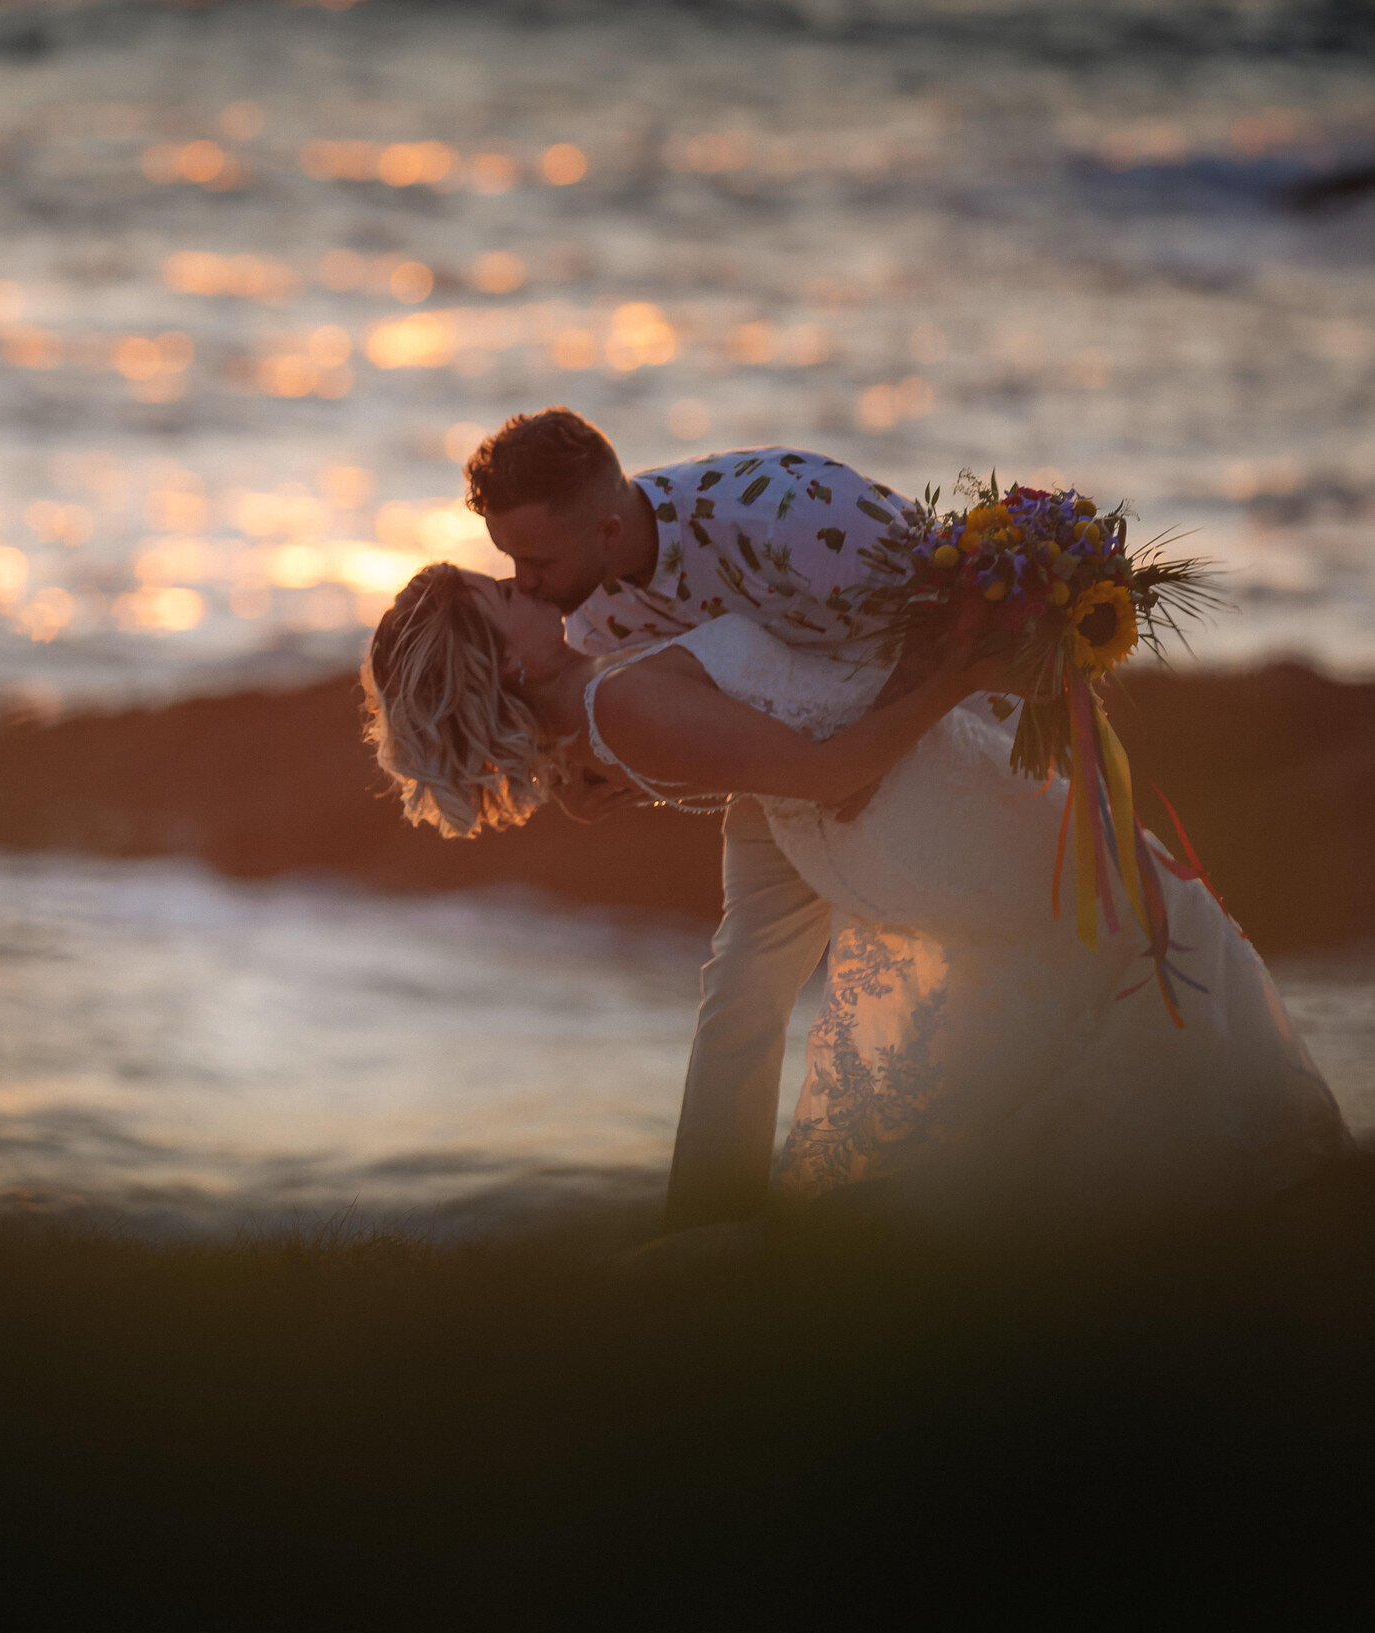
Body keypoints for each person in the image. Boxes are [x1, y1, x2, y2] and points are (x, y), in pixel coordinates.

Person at [361, 439, 1350, 1227]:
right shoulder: (610, 684)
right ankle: (1170, 1181)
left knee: (1084, 931)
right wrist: (962, 677)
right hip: (866, 801)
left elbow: (747, 730)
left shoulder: (752, 530)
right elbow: (822, 770)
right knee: (1111, 921)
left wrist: (986, 647)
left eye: (518, 572)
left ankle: (712, 1220)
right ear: (502, 661)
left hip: (859, 796)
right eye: (502, 593)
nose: (523, 586)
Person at [444, 409, 959, 1227]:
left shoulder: (791, 512)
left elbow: (956, 604)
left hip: (919, 726)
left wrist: (855, 772)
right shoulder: (595, 615)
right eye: (511, 561)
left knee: (951, 956)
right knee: (743, 982)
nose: (526, 582)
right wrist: (581, 778)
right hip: (793, 778)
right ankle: (707, 1229)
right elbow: (697, 727)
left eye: (536, 560)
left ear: (608, 528)